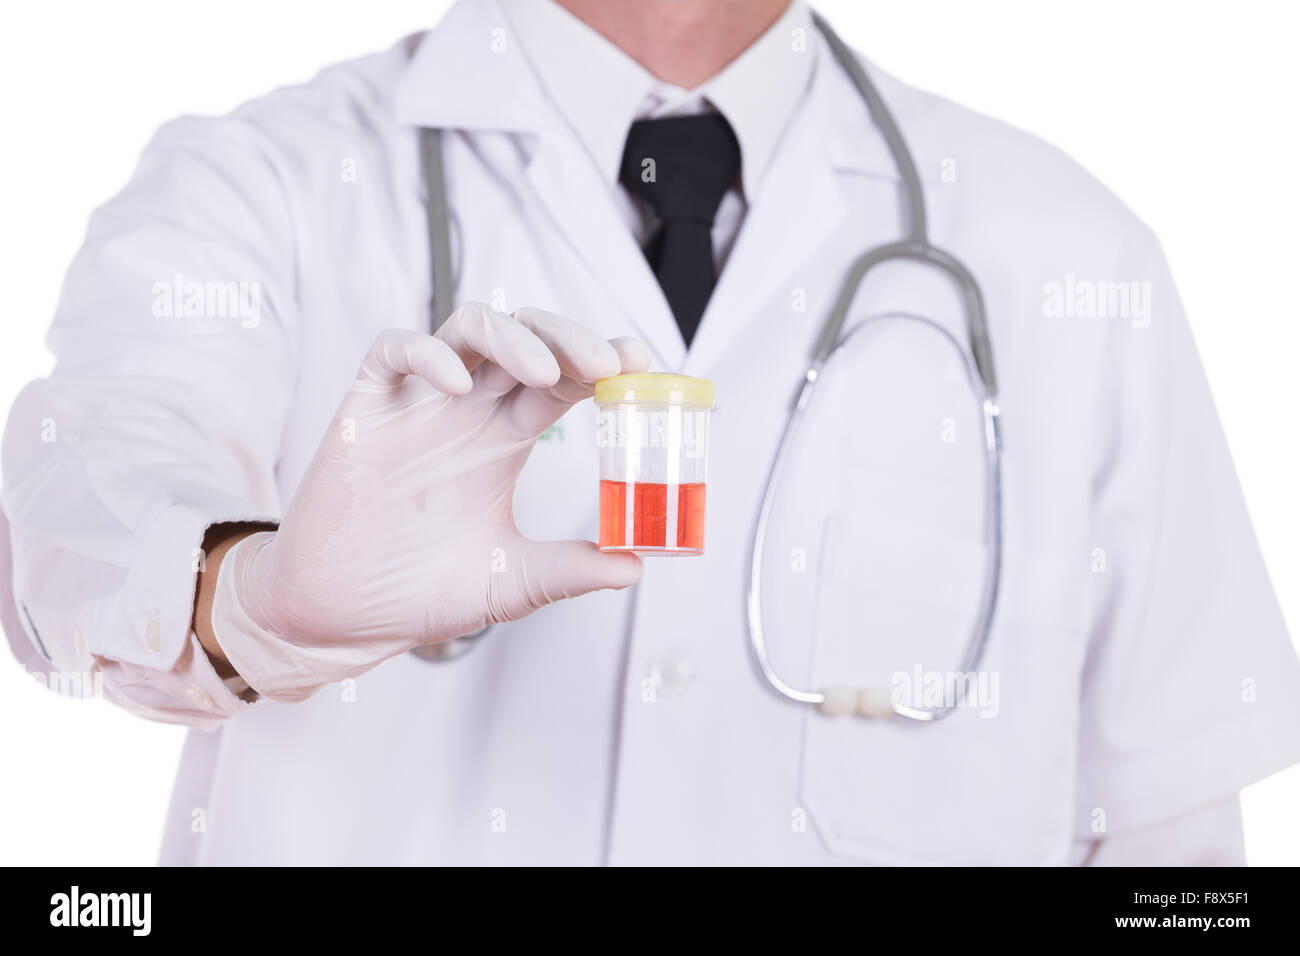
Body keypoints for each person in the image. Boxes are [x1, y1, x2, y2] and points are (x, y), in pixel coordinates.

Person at [3, 0, 1298, 866]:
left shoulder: (1068, 254)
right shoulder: (260, 188)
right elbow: (82, 505)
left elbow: (1172, 847)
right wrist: (251, 599)